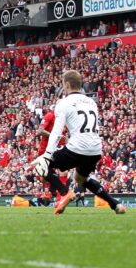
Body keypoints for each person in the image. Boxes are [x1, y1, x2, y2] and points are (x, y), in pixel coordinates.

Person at [32, 70, 126, 215]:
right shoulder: (91, 102)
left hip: (77, 148)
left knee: (40, 165)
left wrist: (47, 155)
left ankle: (65, 193)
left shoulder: (64, 103)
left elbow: (56, 133)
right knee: (81, 178)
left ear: (67, 84)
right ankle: (116, 205)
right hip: (95, 149)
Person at [36, 105, 69, 204]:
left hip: (57, 149)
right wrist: (54, 137)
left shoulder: (65, 121)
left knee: (64, 172)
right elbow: (39, 131)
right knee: (44, 177)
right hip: (45, 150)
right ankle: (49, 195)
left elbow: (63, 136)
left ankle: (59, 198)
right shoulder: (49, 116)